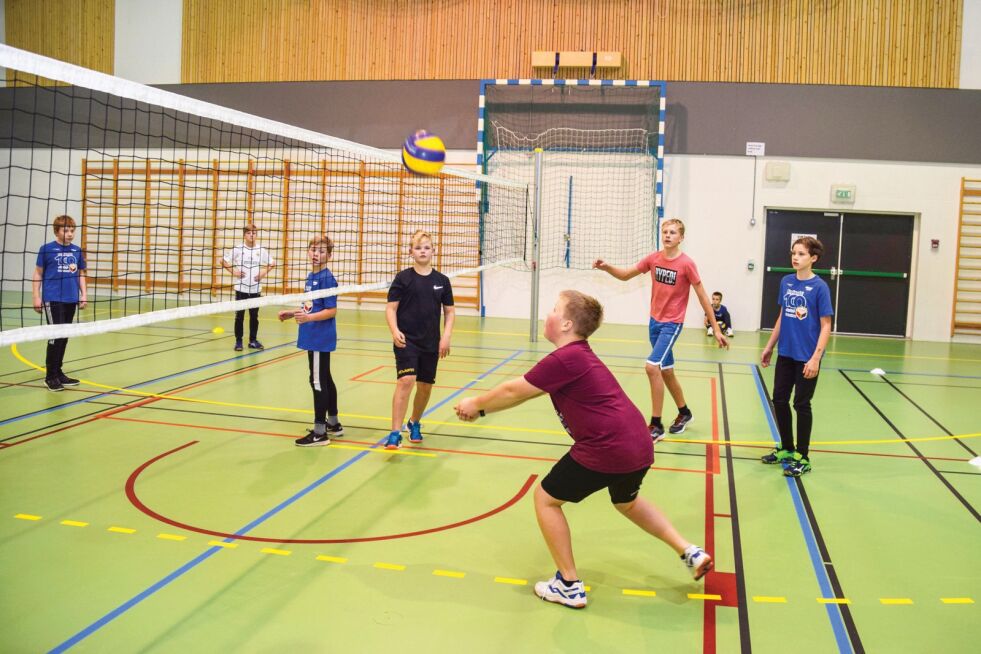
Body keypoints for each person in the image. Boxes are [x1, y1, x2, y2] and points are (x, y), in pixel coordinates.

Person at [454, 290, 712, 609]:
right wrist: (483, 411)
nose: (547, 314)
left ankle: (569, 584)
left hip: (607, 445)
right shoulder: (576, 357)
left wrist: (475, 404)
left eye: (553, 309)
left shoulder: (567, 357)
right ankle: (689, 551)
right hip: (638, 443)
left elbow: (511, 389)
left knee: (546, 499)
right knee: (626, 502)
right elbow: (524, 394)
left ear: (566, 324)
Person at [593, 218, 728, 442]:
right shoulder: (654, 258)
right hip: (654, 323)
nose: (667, 235)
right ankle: (685, 413)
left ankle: (656, 425)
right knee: (666, 371)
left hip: (671, 324)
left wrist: (716, 328)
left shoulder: (686, 264)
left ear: (681, 238)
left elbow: (702, 295)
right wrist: (607, 267)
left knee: (651, 367)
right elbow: (627, 275)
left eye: (673, 232)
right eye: (665, 231)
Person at [760, 236, 833, 477]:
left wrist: (815, 359)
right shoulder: (786, 282)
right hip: (786, 354)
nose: (795, 257)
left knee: (801, 404)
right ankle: (787, 448)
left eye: (801, 254)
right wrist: (770, 346)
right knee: (779, 399)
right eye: (794, 253)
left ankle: (803, 456)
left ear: (813, 258)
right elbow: (783, 316)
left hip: (807, 357)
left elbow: (825, 326)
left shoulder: (820, 287)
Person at [383, 230, 455, 450]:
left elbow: (449, 312)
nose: (422, 251)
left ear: (434, 251)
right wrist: (394, 330)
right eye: (418, 248)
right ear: (410, 252)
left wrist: (446, 337)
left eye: (426, 247)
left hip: (431, 342)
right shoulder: (403, 278)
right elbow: (390, 308)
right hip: (407, 340)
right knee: (406, 381)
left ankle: (414, 422)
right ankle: (395, 432)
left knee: (424, 386)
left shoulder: (442, 281)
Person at [278, 235, 343, 446]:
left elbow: (331, 311)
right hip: (312, 334)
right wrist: (292, 313)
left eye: (322, 251)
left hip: (319, 337)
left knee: (317, 381)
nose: (316, 254)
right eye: (313, 249)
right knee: (325, 378)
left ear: (329, 256)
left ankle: (319, 432)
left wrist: (308, 319)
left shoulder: (326, 278)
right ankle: (333, 423)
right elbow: (311, 306)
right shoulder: (311, 276)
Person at [32, 215, 87, 392]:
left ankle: (58, 372)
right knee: (55, 337)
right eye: (66, 230)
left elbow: (80, 274)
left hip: (71, 298)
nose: (70, 234)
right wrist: (36, 296)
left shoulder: (77, 251)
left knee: (64, 336)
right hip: (52, 298)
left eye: (72, 230)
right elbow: (38, 274)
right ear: (57, 231)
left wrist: (84, 294)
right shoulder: (46, 249)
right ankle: (50, 376)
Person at [222, 223, 275, 351]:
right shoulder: (238, 249)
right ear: (244, 235)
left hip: (255, 289)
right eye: (249, 233)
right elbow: (223, 261)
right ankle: (238, 341)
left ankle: (253, 340)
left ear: (256, 235)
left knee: (254, 316)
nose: (252, 235)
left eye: (254, 233)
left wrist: (263, 272)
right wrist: (234, 272)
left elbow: (272, 263)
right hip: (241, 289)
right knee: (239, 316)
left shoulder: (260, 250)